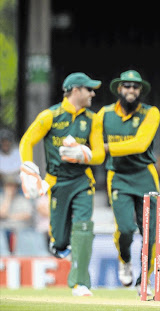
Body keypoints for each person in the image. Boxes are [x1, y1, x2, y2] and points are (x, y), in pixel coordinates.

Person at [18, 72, 104, 296]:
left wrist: (82, 154)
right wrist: (28, 168)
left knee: (84, 227)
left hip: (83, 181)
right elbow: (27, 140)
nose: (93, 93)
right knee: (61, 241)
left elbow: (99, 155)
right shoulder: (51, 115)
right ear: (76, 91)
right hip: (57, 183)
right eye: (89, 89)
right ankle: (58, 243)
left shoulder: (92, 119)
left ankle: (80, 283)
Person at [95, 70, 160, 296]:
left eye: (135, 86)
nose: (131, 90)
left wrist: (104, 148)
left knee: (150, 233)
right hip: (118, 176)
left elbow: (140, 144)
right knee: (125, 229)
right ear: (119, 89)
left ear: (140, 90)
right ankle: (125, 260)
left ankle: (146, 279)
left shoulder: (151, 113)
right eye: (127, 86)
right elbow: (91, 142)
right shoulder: (103, 114)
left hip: (145, 175)